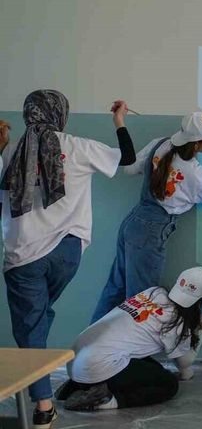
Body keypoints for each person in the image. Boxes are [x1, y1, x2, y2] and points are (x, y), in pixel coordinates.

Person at [0, 90, 136, 429]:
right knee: (40, 316)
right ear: (61, 114)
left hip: (24, 257)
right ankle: (40, 377)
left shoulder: (13, 150)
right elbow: (128, 158)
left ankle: (43, 406)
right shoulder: (77, 146)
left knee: (31, 327)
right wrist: (118, 119)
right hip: (68, 251)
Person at [90, 111, 202, 321]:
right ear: (197, 145)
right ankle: (134, 343)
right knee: (141, 301)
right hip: (150, 234)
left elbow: (130, 170)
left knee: (115, 288)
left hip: (133, 222)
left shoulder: (160, 144)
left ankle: (91, 339)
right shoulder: (196, 175)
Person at [58, 267, 202, 411]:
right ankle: (105, 400)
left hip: (77, 359)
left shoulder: (154, 292)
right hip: (96, 366)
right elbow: (184, 363)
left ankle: (79, 386)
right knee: (168, 384)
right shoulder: (176, 321)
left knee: (153, 368)